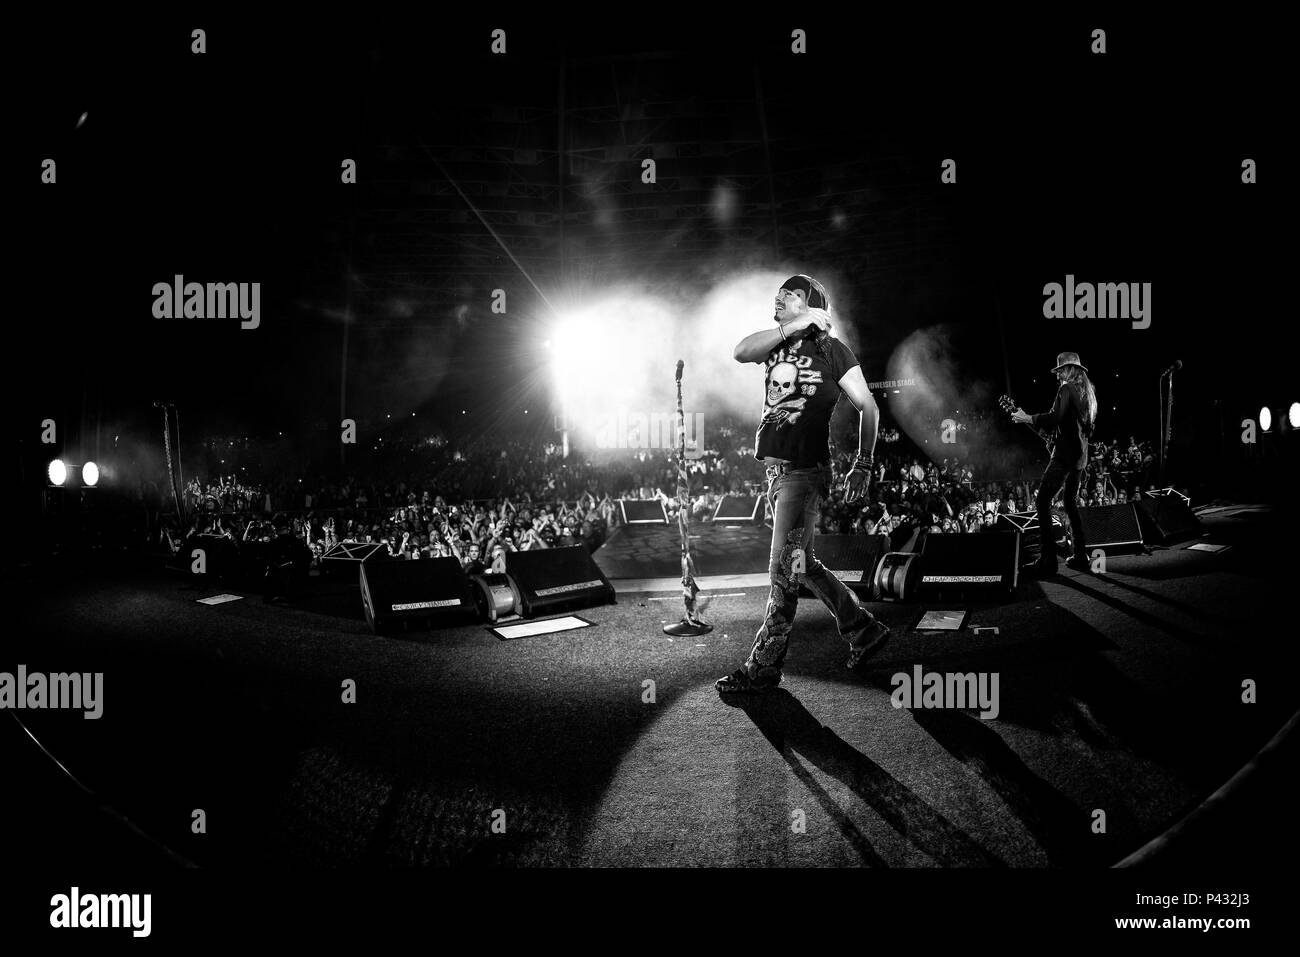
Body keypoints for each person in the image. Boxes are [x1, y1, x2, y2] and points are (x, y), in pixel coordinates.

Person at [715, 274, 890, 694]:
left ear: (811, 304)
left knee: (782, 569)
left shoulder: (832, 351)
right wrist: (791, 325)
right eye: (779, 293)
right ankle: (863, 629)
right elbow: (740, 351)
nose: (779, 297)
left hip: (803, 474)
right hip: (776, 477)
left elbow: (869, 406)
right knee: (803, 564)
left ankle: (763, 667)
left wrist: (863, 463)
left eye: (790, 294)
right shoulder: (775, 343)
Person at [1012, 351, 1097, 575]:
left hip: (1064, 457)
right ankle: (1081, 555)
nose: (1057, 375)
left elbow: (1055, 418)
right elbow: (1081, 428)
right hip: (1080, 458)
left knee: (1041, 502)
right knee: (1070, 503)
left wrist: (1027, 418)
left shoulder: (1066, 389)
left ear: (1068, 370)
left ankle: (1048, 559)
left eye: (1060, 371)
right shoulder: (1088, 393)